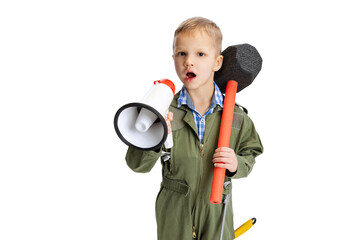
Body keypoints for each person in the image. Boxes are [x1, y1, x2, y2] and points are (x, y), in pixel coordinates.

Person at [125, 17, 263, 240]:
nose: (189, 61)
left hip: (216, 210)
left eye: (200, 54)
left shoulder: (236, 117)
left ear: (218, 63)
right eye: (182, 54)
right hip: (174, 211)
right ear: (173, 58)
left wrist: (237, 164)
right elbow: (136, 164)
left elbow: (251, 153)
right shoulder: (161, 111)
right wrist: (155, 138)